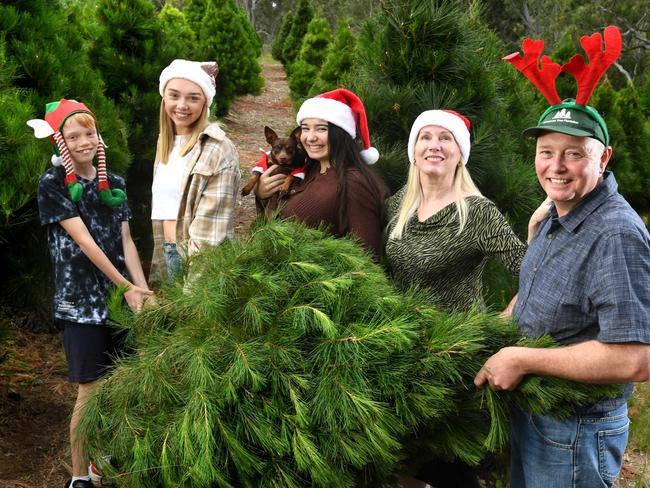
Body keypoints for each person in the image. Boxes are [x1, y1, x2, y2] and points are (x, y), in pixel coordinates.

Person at [475, 26, 650, 487]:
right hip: (537, 412)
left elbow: (635, 357)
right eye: (546, 151)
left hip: (573, 430)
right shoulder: (555, 211)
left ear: (604, 158)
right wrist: (497, 329)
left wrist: (523, 358)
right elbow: (539, 289)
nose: (556, 166)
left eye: (574, 153)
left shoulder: (614, 234)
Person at [385, 109, 534, 487]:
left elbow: (534, 272)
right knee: (402, 464)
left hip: (453, 363)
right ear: (413, 149)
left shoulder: (478, 213)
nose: (434, 145)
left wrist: (503, 319)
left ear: (460, 152)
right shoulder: (399, 204)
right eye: (425, 137)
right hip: (399, 354)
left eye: (445, 138)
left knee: (449, 468)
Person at [29, 99, 152, 488]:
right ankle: (79, 475)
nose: (84, 142)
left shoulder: (113, 183)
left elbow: (126, 240)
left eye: (89, 133)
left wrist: (143, 291)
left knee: (120, 382)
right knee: (89, 388)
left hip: (121, 297)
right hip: (81, 302)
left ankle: (104, 460)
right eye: (74, 136)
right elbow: (84, 241)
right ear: (61, 143)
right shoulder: (53, 185)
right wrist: (126, 287)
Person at [254, 88, 388, 260]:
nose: (310, 137)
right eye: (305, 128)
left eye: (321, 129)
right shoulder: (306, 168)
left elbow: (366, 257)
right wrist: (261, 193)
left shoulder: (353, 182)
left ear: (340, 133)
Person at [150, 59, 240, 283]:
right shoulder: (165, 142)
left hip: (198, 261)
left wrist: (194, 295)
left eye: (193, 98)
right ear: (164, 98)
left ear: (205, 103)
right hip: (167, 251)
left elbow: (210, 237)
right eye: (174, 95)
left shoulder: (218, 148)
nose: (182, 105)